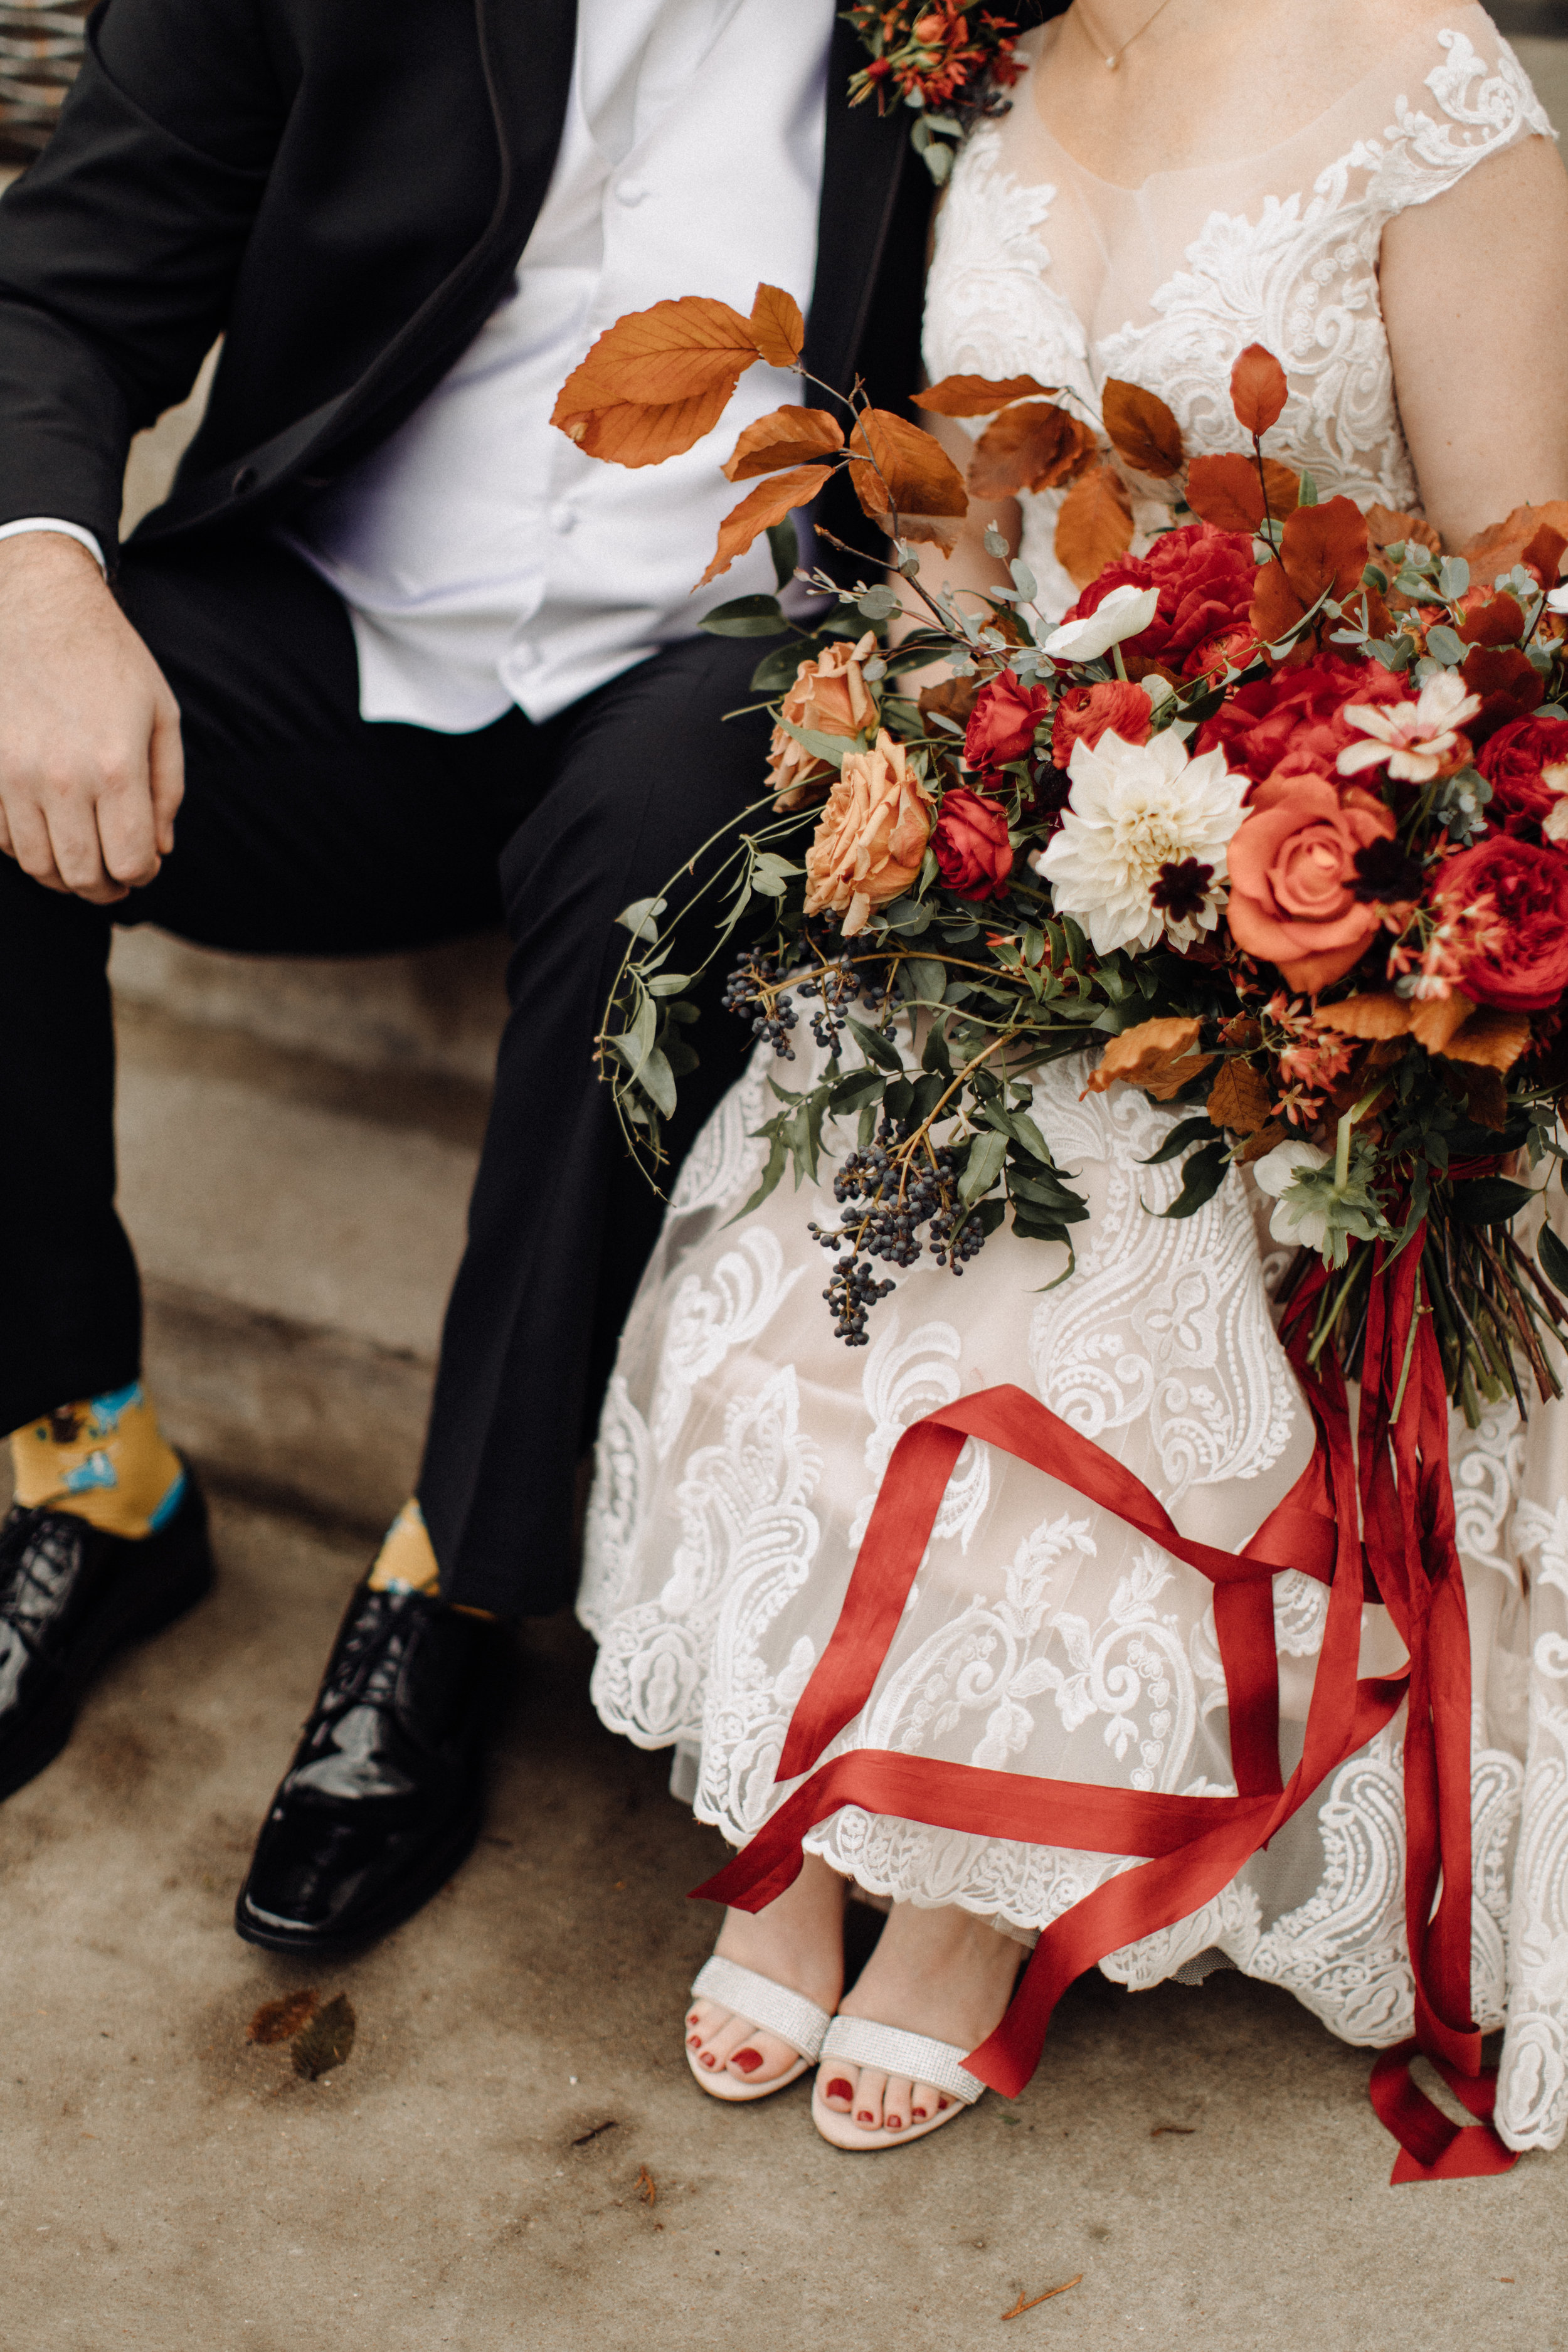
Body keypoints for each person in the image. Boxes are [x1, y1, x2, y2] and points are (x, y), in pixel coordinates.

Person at [578, 0, 1568, 2155]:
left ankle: (956, 1880)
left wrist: (1324, 869)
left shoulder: (1435, 89)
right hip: (1033, 849)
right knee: (876, 1177)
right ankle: (840, 1813)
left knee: (1115, 1246)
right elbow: (960, 532)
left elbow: (1524, 599)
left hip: (1316, 891)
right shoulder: (996, 76)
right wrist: (902, 744)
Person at [0, 0, 945, 1954]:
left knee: (666, 859)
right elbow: (58, 300)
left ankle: (456, 1578)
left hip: (711, 666)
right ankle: (88, 1465)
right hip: (343, 627)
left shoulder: (959, 26)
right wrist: (37, 584)